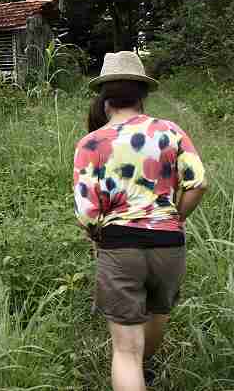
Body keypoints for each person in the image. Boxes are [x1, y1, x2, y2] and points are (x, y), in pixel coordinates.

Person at [73, 51, 207, 391]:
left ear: (105, 100)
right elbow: (198, 183)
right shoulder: (171, 131)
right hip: (168, 244)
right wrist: (176, 216)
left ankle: (134, 372)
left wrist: (97, 237)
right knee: (157, 317)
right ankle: (144, 371)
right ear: (143, 95)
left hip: (120, 245)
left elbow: (86, 211)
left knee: (125, 351)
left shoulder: (91, 143)